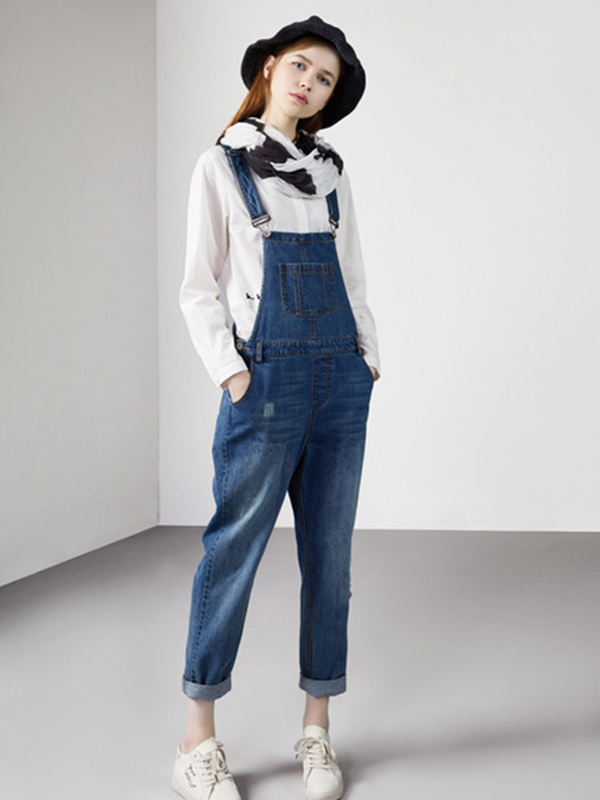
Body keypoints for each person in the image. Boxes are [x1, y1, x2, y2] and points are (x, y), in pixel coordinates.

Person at [172, 15, 381, 800]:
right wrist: (232, 375)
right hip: (263, 385)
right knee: (232, 553)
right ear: (267, 67)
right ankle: (196, 741)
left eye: (324, 79)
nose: (309, 83)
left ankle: (317, 730)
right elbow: (198, 287)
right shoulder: (222, 165)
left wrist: (367, 359)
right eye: (300, 66)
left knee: (330, 559)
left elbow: (352, 276)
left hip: (340, 384)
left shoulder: (331, 173)